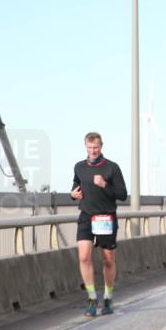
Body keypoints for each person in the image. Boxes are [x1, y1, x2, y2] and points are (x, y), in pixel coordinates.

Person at [70, 132, 128, 317]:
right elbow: (75, 187)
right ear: (85, 146)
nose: (93, 151)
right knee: (84, 257)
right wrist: (73, 195)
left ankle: (108, 297)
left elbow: (122, 194)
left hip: (106, 218)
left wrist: (104, 185)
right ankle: (92, 297)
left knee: (108, 259)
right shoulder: (79, 167)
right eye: (89, 148)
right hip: (86, 216)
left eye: (96, 147)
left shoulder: (112, 167)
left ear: (101, 146)